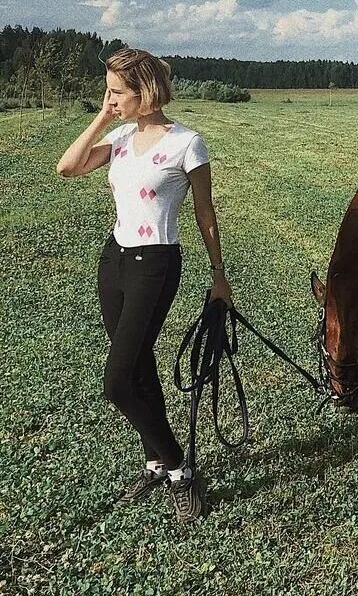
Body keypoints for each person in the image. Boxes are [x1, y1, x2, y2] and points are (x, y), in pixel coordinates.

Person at [56, 47, 233, 523]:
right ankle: (158, 460)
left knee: (117, 382)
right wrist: (101, 116)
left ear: (145, 92)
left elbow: (204, 213)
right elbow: (67, 168)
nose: (109, 99)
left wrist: (219, 276)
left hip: (155, 263)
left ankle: (178, 467)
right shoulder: (117, 137)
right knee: (137, 367)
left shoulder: (186, 144)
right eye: (107, 91)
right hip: (113, 262)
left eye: (116, 91)